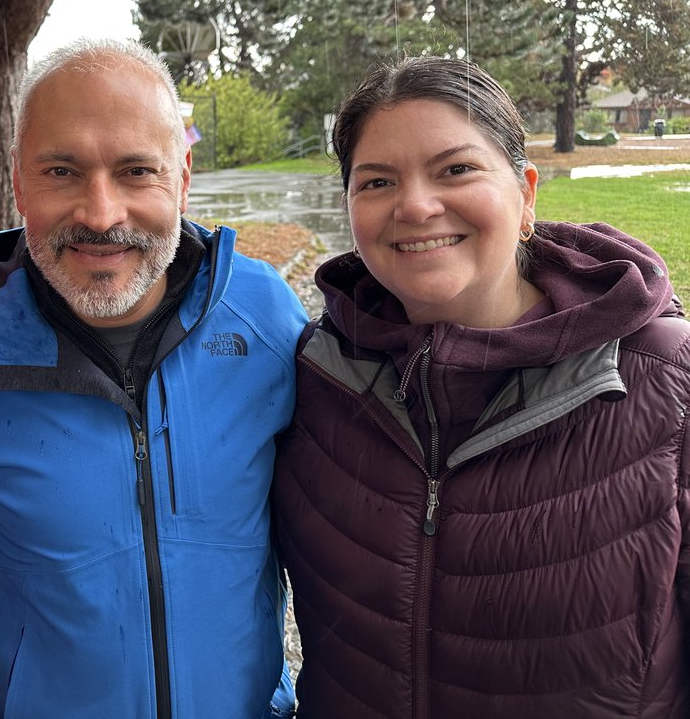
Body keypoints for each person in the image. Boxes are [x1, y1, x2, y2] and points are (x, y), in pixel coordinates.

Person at [273, 56, 690, 717]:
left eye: (456, 169)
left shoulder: (665, 379)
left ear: (525, 194)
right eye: (377, 180)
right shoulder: (314, 376)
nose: (414, 205)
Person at [0, 39, 308, 718]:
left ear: (183, 176)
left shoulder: (265, 317)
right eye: (62, 172)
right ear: (18, 179)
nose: (101, 215)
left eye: (138, 171)